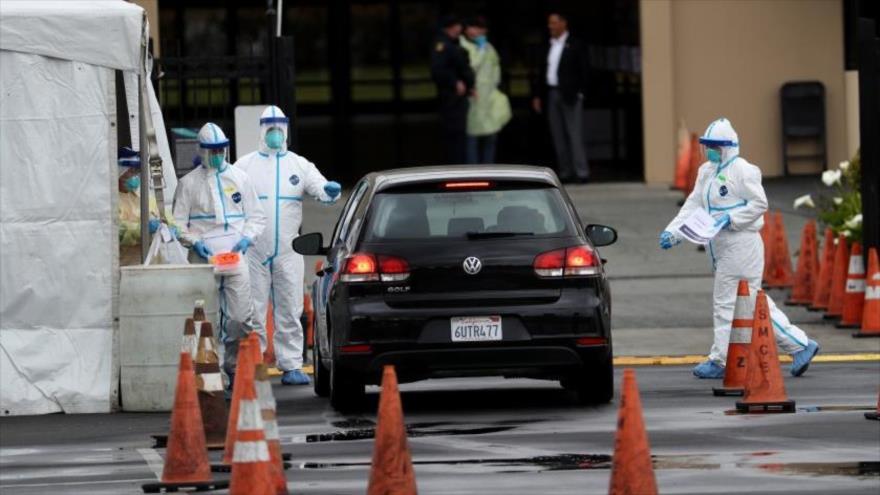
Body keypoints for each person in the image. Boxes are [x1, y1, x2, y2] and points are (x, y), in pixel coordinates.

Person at [659, 118, 820, 379]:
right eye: (706, 146)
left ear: (727, 147)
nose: (709, 152)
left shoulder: (744, 171)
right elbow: (693, 204)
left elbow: (759, 204)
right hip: (721, 246)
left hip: (741, 244)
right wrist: (674, 232)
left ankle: (721, 359)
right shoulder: (706, 172)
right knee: (751, 303)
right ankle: (800, 344)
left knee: (727, 303)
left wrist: (730, 218)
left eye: (714, 147)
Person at [235, 106, 342, 386]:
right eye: (269, 128)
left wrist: (329, 191)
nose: (274, 133)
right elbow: (228, 193)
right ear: (261, 130)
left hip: (288, 250)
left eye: (278, 128)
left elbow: (320, 187)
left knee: (290, 307)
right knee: (253, 309)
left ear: (286, 130)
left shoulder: (299, 165)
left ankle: (292, 364)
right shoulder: (245, 166)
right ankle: (254, 363)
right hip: (254, 250)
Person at [173, 122, 267, 386]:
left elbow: (256, 217)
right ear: (201, 150)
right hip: (204, 260)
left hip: (235, 257)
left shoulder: (240, 178)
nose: (216, 155)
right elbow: (178, 223)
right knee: (205, 318)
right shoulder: (188, 183)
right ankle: (210, 374)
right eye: (211, 150)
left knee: (239, 317)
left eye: (220, 150)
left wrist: (248, 238)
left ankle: (233, 366)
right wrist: (193, 242)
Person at [531, 11, 590, 182]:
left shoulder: (576, 44)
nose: (551, 26)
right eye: (549, 23)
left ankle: (581, 172)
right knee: (558, 134)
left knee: (574, 133)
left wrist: (581, 93)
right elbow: (541, 71)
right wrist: (537, 95)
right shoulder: (548, 45)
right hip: (552, 92)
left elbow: (585, 70)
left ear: (564, 23)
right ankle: (565, 171)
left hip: (571, 94)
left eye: (554, 23)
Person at [460, 16, 511, 164]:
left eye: (482, 29)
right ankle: (473, 173)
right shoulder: (463, 46)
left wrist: (495, 85)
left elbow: (496, 65)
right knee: (473, 136)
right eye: (476, 28)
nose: (480, 32)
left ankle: (489, 170)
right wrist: (481, 51)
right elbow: (472, 65)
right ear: (468, 29)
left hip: (489, 97)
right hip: (473, 98)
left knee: (491, 136)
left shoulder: (488, 46)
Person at [117, 147, 176, 266]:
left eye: (137, 172)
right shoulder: (111, 200)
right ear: (120, 171)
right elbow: (117, 231)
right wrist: (142, 229)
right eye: (131, 171)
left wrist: (174, 229)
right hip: (127, 265)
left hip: (154, 264)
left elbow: (165, 216)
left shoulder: (143, 197)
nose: (136, 176)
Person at [431, 14, 475, 164]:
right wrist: (454, 82)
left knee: (459, 134)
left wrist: (469, 86)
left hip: (459, 97)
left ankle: (459, 164)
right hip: (451, 98)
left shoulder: (453, 43)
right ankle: (454, 166)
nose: (460, 29)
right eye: (457, 26)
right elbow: (438, 70)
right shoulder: (442, 44)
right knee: (454, 134)